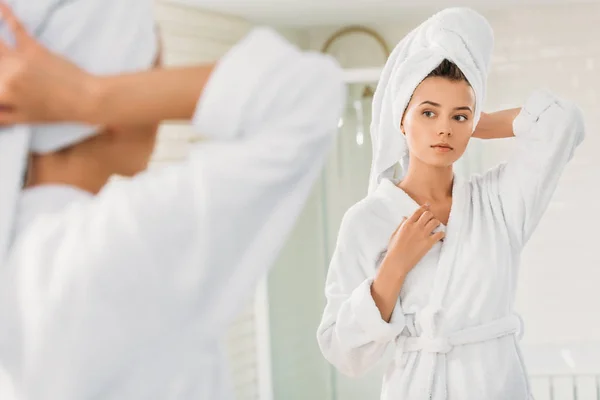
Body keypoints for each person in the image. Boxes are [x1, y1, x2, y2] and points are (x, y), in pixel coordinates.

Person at [0, 1, 345, 399]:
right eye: (147, 82)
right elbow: (307, 95)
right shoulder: (113, 243)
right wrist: (90, 96)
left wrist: (90, 95)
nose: (157, 110)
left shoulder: (25, 255)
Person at [316, 7, 584, 400]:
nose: (444, 128)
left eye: (459, 116)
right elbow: (343, 351)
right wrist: (395, 265)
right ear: (401, 119)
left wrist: (477, 120)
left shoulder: (498, 202)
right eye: (428, 112)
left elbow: (564, 122)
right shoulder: (367, 220)